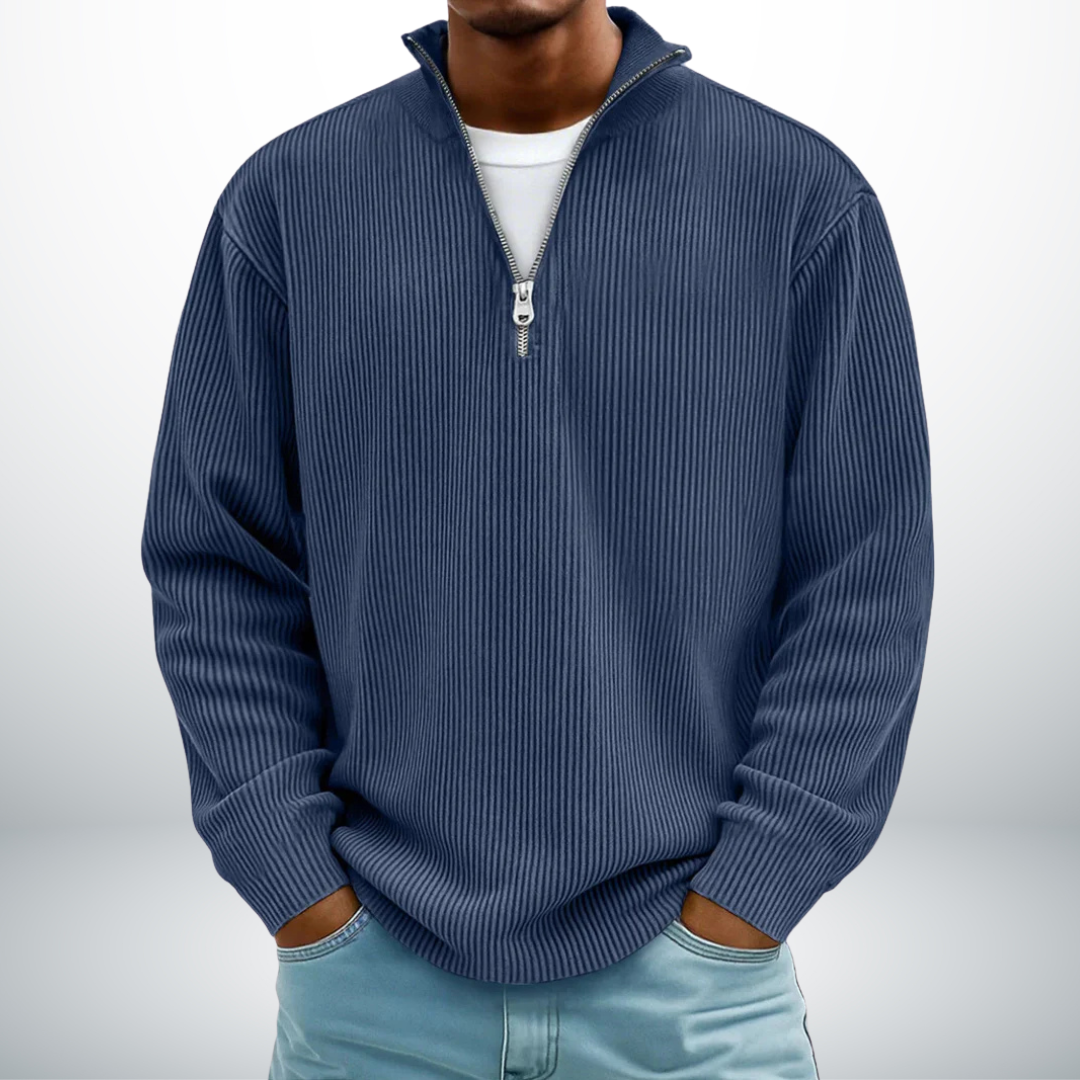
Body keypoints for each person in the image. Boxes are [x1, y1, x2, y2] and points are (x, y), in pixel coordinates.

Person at [140, 1, 934, 1076]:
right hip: (371, 1002)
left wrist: (751, 897)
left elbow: (866, 578)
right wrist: (296, 887)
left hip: (694, 1006)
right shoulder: (289, 202)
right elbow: (217, 567)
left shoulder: (797, 198)